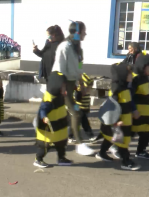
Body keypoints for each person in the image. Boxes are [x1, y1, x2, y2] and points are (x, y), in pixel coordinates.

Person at [51, 21, 94, 156]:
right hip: (60, 84)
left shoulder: (78, 48)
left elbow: (79, 68)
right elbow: (60, 67)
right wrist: (63, 87)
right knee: (76, 112)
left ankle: (51, 136)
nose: (85, 34)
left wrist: (81, 84)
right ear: (77, 32)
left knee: (65, 113)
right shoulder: (65, 46)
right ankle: (79, 143)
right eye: (83, 31)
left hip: (70, 85)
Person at [96, 62, 141, 170]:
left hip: (125, 119)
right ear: (123, 75)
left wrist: (134, 111)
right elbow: (113, 107)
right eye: (130, 73)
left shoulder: (125, 88)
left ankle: (102, 153)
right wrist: (116, 121)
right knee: (123, 142)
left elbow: (128, 102)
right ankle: (125, 161)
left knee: (110, 138)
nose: (132, 75)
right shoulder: (117, 90)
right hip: (119, 121)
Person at [33, 71, 72, 168]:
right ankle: (38, 159)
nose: (65, 89)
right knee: (45, 145)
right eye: (63, 87)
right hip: (49, 128)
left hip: (59, 127)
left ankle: (61, 158)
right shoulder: (49, 98)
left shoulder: (59, 96)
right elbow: (43, 109)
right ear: (56, 86)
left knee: (61, 143)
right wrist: (44, 117)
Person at [131, 54, 149, 159]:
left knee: (146, 132)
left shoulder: (145, 78)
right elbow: (129, 96)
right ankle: (116, 148)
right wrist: (133, 110)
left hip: (145, 112)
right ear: (144, 66)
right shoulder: (136, 78)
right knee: (130, 132)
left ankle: (141, 151)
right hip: (137, 112)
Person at [68, 73, 95, 142]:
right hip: (78, 107)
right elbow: (78, 98)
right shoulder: (80, 90)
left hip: (83, 108)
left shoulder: (86, 90)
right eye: (89, 86)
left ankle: (70, 136)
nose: (90, 88)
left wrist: (87, 109)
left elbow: (87, 102)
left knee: (77, 122)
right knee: (82, 122)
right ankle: (90, 136)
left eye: (91, 86)